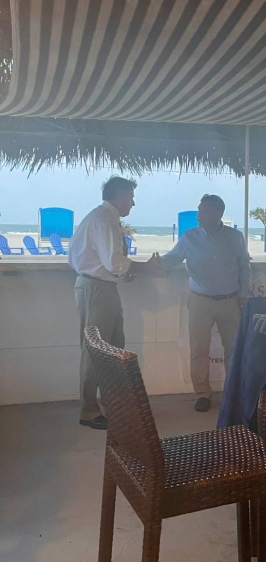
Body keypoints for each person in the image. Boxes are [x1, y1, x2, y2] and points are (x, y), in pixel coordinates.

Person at [69, 176, 165, 430]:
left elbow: (108, 264)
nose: (133, 203)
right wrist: (146, 267)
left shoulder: (100, 217)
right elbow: (114, 262)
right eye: (131, 198)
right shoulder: (104, 219)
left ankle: (109, 404)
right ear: (119, 196)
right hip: (97, 289)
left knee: (112, 347)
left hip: (101, 287)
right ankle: (89, 410)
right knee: (96, 350)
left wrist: (123, 273)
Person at [161, 194, 252, 412]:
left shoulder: (236, 237)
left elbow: (245, 267)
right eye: (199, 210)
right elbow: (171, 259)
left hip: (230, 301)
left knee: (234, 350)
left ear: (218, 213)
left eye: (203, 211)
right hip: (200, 301)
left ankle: (233, 393)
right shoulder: (189, 237)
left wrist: (244, 295)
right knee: (199, 350)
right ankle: (202, 393)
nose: (199, 215)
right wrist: (143, 266)